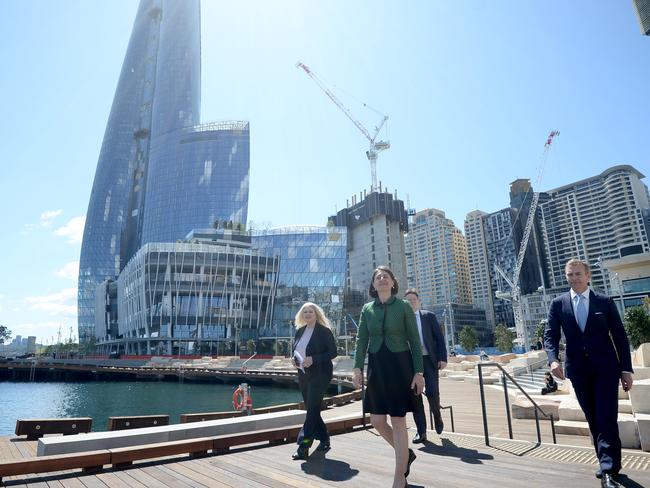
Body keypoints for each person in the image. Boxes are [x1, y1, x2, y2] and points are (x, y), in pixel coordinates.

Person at [544, 258, 633, 488]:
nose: (574, 278)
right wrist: (553, 360)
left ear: (588, 275)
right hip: (578, 372)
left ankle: (608, 471)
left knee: (606, 418)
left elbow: (620, 337)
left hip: (606, 369)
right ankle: (606, 462)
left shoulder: (604, 301)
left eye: (578, 274)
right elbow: (550, 335)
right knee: (594, 418)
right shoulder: (558, 303)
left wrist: (626, 369)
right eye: (569, 274)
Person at [352, 266, 424, 488]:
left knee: (398, 420)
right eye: (378, 277)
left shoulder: (402, 306)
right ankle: (406, 455)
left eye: (386, 276)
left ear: (393, 283)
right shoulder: (367, 309)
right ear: (373, 285)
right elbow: (361, 339)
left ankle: (399, 479)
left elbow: (414, 339)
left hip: (400, 365)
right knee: (377, 421)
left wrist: (418, 372)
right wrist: (357, 367)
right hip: (377, 366)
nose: (382, 279)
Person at [291, 302, 337, 461]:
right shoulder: (299, 332)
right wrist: (294, 360)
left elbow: (333, 352)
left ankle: (303, 446)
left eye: (311, 311)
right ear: (301, 315)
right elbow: (296, 351)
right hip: (304, 374)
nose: (308, 314)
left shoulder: (324, 331)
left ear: (317, 314)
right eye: (305, 312)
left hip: (320, 374)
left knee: (311, 411)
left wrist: (314, 359)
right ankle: (324, 439)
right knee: (313, 409)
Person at [404, 289, 447, 442]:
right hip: (411, 364)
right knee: (416, 397)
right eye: (407, 301)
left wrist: (443, 358)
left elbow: (439, 339)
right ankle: (421, 432)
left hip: (429, 360)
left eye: (413, 300)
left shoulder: (429, 316)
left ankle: (437, 416)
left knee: (432, 392)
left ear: (419, 302)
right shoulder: (402, 320)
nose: (411, 303)